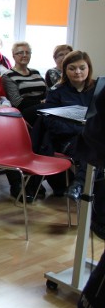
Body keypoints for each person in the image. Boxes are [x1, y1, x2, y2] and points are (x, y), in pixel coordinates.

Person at [39, 51, 96, 201]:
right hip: (64, 139)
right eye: (72, 68)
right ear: (65, 70)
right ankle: (80, 185)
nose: (78, 72)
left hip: (92, 136)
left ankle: (81, 184)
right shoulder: (57, 92)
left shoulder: (97, 89)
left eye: (82, 68)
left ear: (88, 68)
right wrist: (82, 130)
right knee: (89, 145)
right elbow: (51, 122)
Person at [1, 41, 47, 126]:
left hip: (44, 107)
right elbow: (17, 102)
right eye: (20, 53)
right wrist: (41, 102)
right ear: (13, 55)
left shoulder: (36, 72)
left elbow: (46, 92)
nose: (25, 55)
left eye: (27, 52)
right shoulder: (8, 76)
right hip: (24, 111)